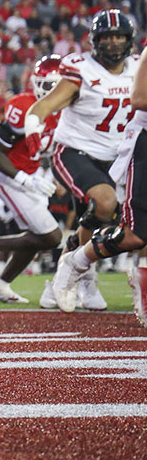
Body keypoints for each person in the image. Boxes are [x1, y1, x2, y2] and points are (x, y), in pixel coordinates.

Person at [28, 10, 139, 313]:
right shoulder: (81, 69)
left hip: (119, 158)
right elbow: (45, 106)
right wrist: (33, 127)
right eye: (107, 37)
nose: (113, 43)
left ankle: (78, 273)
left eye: (119, 36)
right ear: (95, 40)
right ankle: (79, 271)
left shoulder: (138, 68)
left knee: (101, 222)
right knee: (104, 204)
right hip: (76, 152)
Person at [54, 43, 147, 321]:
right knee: (135, 233)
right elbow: (140, 98)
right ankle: (78, 261)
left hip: (111, 148)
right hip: (134, 144)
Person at [0, 55, 64, 305]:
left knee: (36, 236)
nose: (55, 93)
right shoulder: (24, 106)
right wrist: (26, 180)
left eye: (60, 87)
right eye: (49, 86)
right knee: (51, 237)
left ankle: (1, 284)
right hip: (10, 177)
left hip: (31, 175)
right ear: (36, 84)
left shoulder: (67, 110)